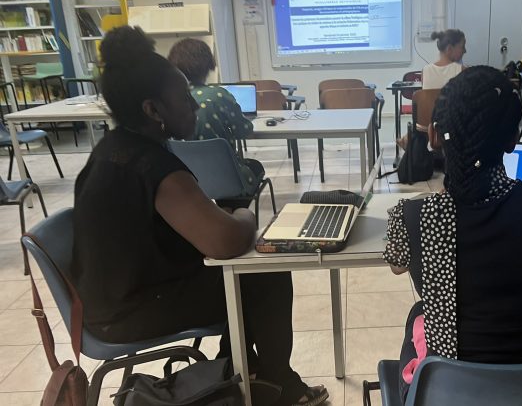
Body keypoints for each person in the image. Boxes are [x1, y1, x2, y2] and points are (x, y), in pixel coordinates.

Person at [70, 26, 328, 406]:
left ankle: (244, 372)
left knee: (243, 276)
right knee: (265, 272)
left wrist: (219, 215)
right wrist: (245, 213)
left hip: (108, 300)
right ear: (152, 109)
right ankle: (279, 385)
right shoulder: (151, 165)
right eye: (184, 97)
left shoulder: (113, 149)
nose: (194, 105)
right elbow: (227, 242)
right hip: (127, 311)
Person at [383, 66, 522, 400]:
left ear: (433, 135)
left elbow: (397, 264)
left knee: (418, 316)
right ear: (512, 140)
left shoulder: (415, 217)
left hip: (454, 397)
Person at [167, 38, 262, 202]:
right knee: (255, 166)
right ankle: (233, 209)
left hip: (187, 180)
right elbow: (244, 131)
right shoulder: (219, 95)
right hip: (227, 177)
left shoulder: (170, 100)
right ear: (208, 66)